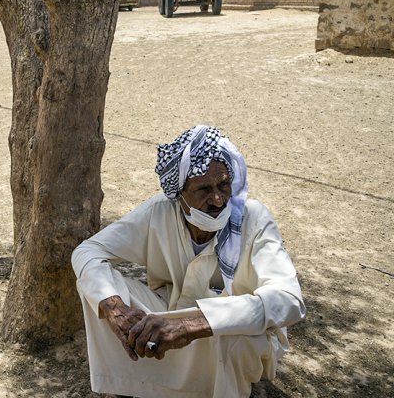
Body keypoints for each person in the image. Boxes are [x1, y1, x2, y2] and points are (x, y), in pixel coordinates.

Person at [71, 125, 306, 398]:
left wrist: (189, 326)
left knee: (236, 339)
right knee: (98, 288)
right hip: (171, 314)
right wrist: (115, 310)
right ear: (179, 194)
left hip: (229, 333)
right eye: (204, 189)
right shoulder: (159, 213)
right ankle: (136, 385)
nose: (217, 199)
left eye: (224, 185)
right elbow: (87, 252)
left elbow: (289, 299)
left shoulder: (253, 219)